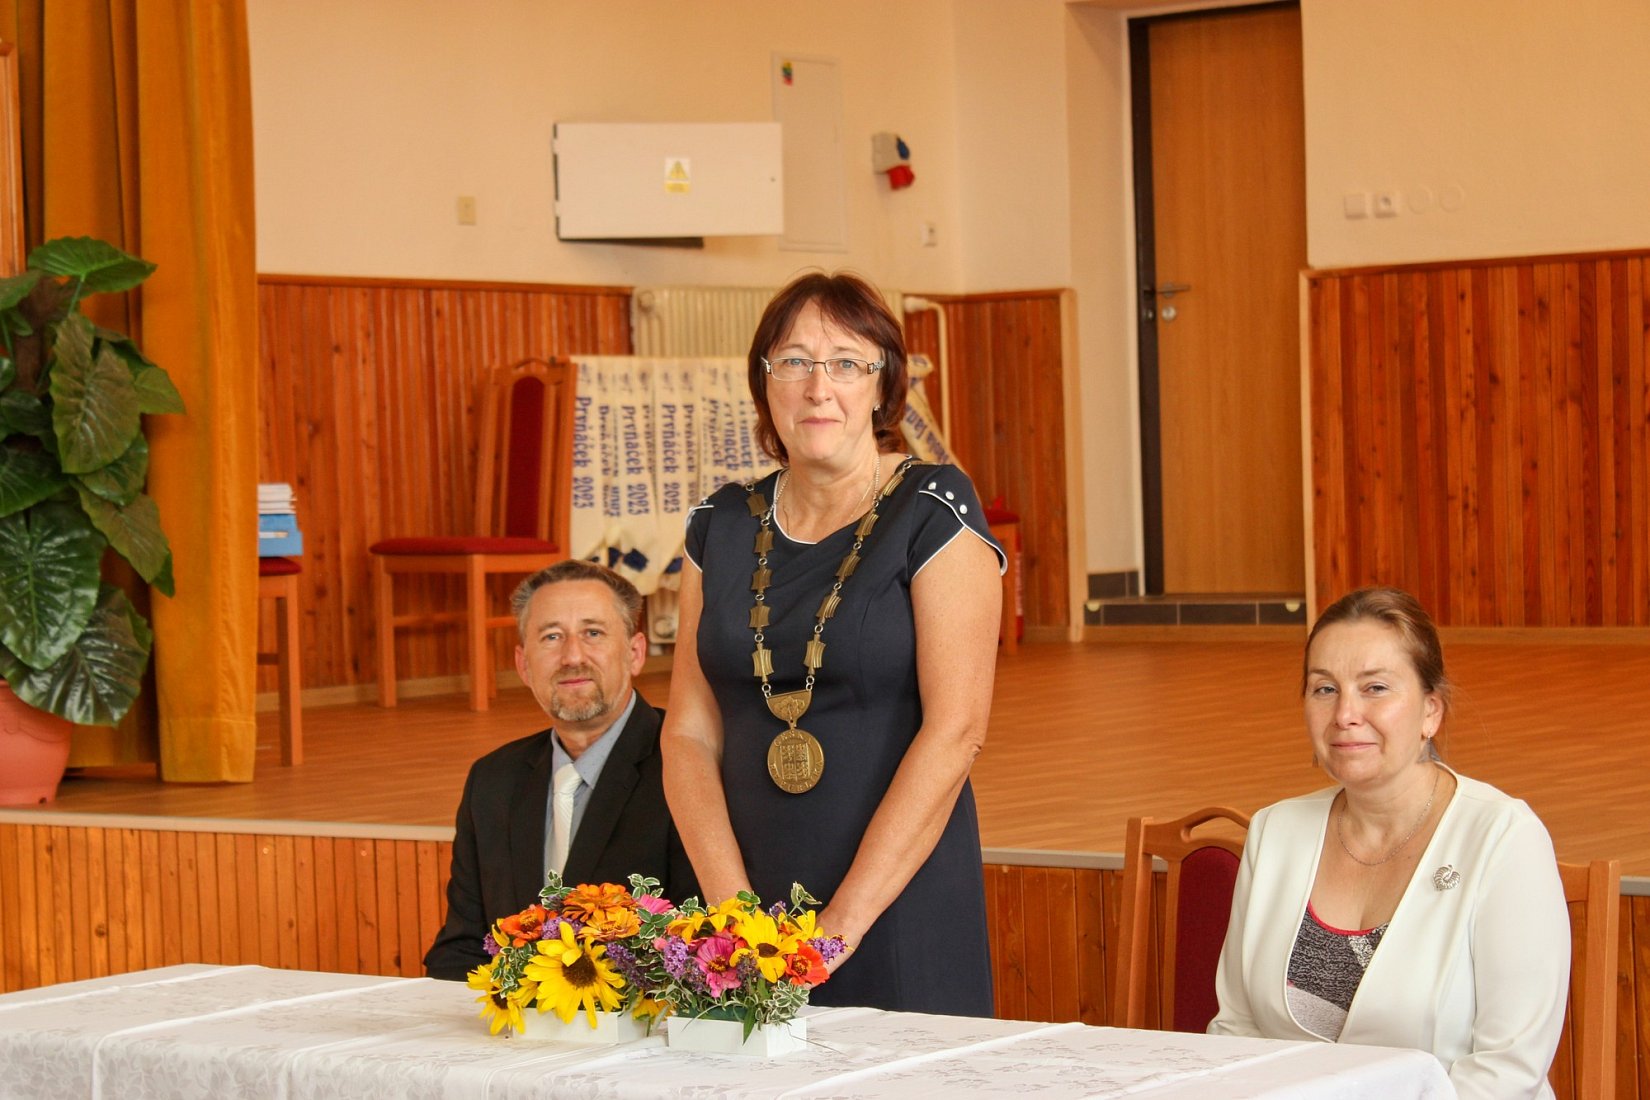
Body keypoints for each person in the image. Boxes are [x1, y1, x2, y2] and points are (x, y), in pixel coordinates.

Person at [661, 271, 1005, 1016]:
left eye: (847, 362)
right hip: (741, 903)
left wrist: (836, 932)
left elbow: (957, 732)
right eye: (794, 361)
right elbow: (687, 732)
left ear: (882, 385)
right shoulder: (717, 525)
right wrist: (733, 914)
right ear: (765, 384)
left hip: (894, 896)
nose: (819, 388)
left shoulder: (934, 509)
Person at [1209, 586, 1570, 1099]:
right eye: (1324, 689)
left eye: (1375, 688)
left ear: (1431, 711)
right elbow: (1236, 1031)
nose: (1345, 714)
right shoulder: (1274, 831)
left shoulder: (1504, 837)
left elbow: (1507, 1072)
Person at [424, 560, 697, 981]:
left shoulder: (686, 767)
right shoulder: (492, 781)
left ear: (635, 653)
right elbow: (461, 950)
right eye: (551, 637)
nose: (572, 656)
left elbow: (702, 948)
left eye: (593, 633)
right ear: (523, 664)